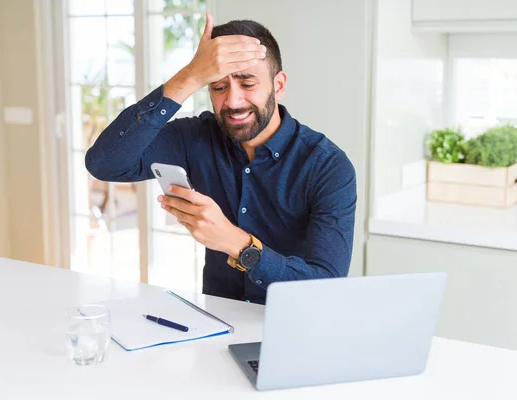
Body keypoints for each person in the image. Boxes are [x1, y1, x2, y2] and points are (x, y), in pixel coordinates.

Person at [85, 14, 357, 304]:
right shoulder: (195, 137)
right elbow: (105, 163)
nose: (232, 101)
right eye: (218, 86)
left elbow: (325, 286)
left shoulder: (328, 167)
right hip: (216, 324)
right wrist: (190, 76)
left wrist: (235, 243)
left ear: (278, 86)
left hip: (295, 326)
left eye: (247, 83)